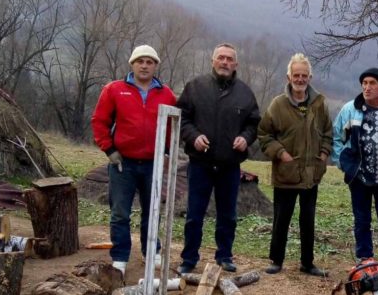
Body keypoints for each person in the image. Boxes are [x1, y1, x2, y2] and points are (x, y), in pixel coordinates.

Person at [91, 45, 177, 275]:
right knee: (120, 212)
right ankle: (120, 256)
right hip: (123, 163)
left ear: (155, 65)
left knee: (153, 211)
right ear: (132, 64)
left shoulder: (166, 94)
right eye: (140, 61)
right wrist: (109, 150)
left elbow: (172, 127)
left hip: (153, 164)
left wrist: (167, 152)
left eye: (150, 61)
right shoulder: (115, 90)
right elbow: (99, 121)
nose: (145, 65)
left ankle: (152, 252)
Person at [177, 43, 260, 273]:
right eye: (220, 58)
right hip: (200, 163)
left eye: (229, 59)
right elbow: (182, 118)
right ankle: (189, 259)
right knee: (194, 214)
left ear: (236, 64)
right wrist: (193, 137)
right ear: (212, 61)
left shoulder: (245, 93)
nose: (224, 62)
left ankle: (224, 256)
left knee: (228, 215)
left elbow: (253, 124)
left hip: (229, 164)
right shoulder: (195, 87)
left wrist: (245, 138)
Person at [258, 53, 332, 277]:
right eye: (296, 75)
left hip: (311, 174)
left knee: (308, 220)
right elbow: (263, 134)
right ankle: (276, 260)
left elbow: (328, 133)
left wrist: (324, 153)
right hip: (286, 173)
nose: (300, 79)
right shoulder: (277, 105)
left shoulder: (319, 104)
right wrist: (280, 153)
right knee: (282, 218)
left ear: (310, 77)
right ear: (288, 77)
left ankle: (307, 263)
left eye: (304, 75)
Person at [332, 67, 378, 275]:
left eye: (372, 83)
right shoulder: (349, 110)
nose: (367, 87)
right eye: (364, 83)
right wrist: (343, 163)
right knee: (361, 220)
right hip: (359, 177)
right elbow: (337, 137)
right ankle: (365, 259)